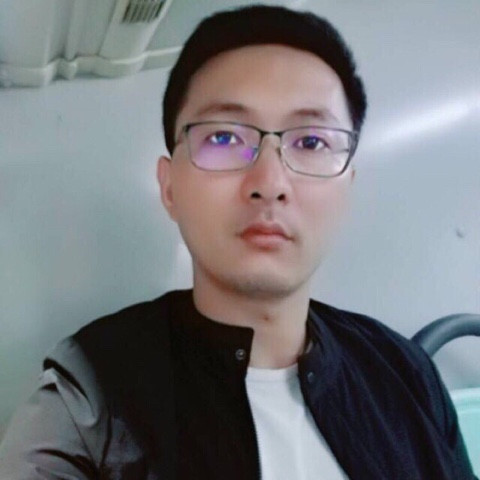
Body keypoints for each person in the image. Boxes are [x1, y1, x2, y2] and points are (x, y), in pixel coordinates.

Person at [0, 4, 476, 480]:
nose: (269, 183)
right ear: (170, 187)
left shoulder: (405, 373)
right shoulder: (89, 394)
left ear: (347, 186)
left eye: (311, 142)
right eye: (224, 138)